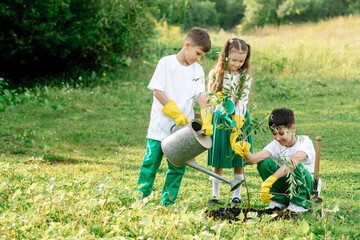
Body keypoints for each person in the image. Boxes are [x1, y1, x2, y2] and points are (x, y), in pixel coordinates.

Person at [137, 27, 213, 206]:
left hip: (182, 130)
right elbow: (158, 91)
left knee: (177, 167)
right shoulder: (166, 63)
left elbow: (200, 96)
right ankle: (140, 200)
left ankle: (168, 202)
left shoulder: (198, 70)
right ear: (187, 45)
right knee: (150, 164)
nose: (199, 58)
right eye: (198, 53)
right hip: (160, 126)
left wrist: (207, 117)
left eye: (202, 55)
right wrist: (175, 112)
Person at [233, 108, 318, 212]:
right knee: (264, 163)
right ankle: (279, 201)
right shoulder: (276, 144)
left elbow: (292, 163)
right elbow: (254, 160)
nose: (277, 138)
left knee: (294, 165)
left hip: (307, 186)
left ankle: (299, 204)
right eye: (274, 134)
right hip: (288, 186)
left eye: (281, 133)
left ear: (292, 129)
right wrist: (245, 151)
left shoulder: (304, 142)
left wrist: (271, 179)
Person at [207, 38, 253, 207]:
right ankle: (215, 194)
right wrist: (219, 108)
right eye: (234, 60)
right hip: (220, 120)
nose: (237, 64)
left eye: (241, 61)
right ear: (225, 56)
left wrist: (238, 122)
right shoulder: (215, 74)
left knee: (238, 157)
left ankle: (237, 195)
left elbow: (242, 100)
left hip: (239, 120)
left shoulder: (245, 77)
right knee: (218, 157)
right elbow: (210, 96)